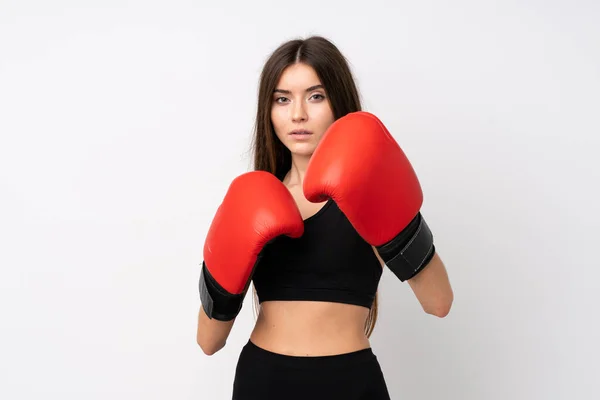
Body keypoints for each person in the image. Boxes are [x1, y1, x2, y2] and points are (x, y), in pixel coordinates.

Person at [196, 36, 454, 400]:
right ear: (268, 111)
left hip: (349, 382)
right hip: (263, 381)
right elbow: (209, 341)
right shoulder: (252, 199)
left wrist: (398, 221)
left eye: (315, 96)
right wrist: (222, 269)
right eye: (282, 99)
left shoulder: (365, 187)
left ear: (338, 101)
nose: (297, 114)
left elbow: (439, 303)